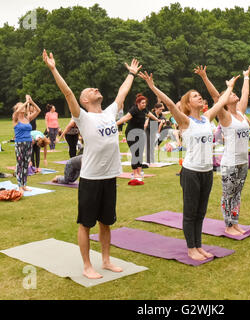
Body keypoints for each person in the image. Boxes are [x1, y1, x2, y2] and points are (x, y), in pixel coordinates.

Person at [43, 49, 141, 279]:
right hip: (91, 179)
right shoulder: (83, 116)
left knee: (106, 223)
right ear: (85, 100)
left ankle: (106, 261)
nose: (96, 89)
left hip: (109, 177)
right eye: (90, 90)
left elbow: (122, 93)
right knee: (86, 224)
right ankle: (88, 266)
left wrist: (132, 75)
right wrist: (54, 69)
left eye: (96, 89)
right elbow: (67, 93)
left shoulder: (109, 113)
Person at [139, 69, 240, 261]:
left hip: (207, 172)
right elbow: (169, 103)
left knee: (201, 212)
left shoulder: (206, 118)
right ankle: (191, 248)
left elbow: (220, 103)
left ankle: (199, 246)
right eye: (195, 96)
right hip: (191, 172)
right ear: (188, 103)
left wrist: (230, 88)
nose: (200, 97)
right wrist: (152, 87)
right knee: (190, 212)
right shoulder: (185, 121)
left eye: (200, 95)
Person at [194, 65, 250, 236]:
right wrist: (205, 77)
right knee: (228, 194)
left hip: (243, 162)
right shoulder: (224, 116)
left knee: (237, 194)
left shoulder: (241, 113)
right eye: (231, 95)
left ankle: (235, 223)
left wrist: (246, 76)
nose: (234, 96)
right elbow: (215, 96)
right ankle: (228, 226)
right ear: (225, 101)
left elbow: (244, 94)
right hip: (230, 163)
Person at [116, 94, 162, 180]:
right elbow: (126, 118)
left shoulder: (144, 109)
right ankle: (134, 172)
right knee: (135, 152)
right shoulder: (134, 109)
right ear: (138, 103)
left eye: (145, 103)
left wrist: (157, 119)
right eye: (142, 103)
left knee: (140, 152)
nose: (144, 104)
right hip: (131, 133)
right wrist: (115, 124)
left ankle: (139, 171)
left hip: (140, 133)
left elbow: (150, 115)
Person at [12, 95, 41, 192]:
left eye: (24, 107)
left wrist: (31, 101)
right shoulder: (15, 118)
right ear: (18, 109)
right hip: (19, 144)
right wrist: (25, 102)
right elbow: (16, 112)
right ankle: (19, 185)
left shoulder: (27, 118)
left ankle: (24, 185)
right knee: (20, 165)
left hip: (29, 143)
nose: (24, 108)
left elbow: (38, 110)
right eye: (22, 107)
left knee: (26, 165)